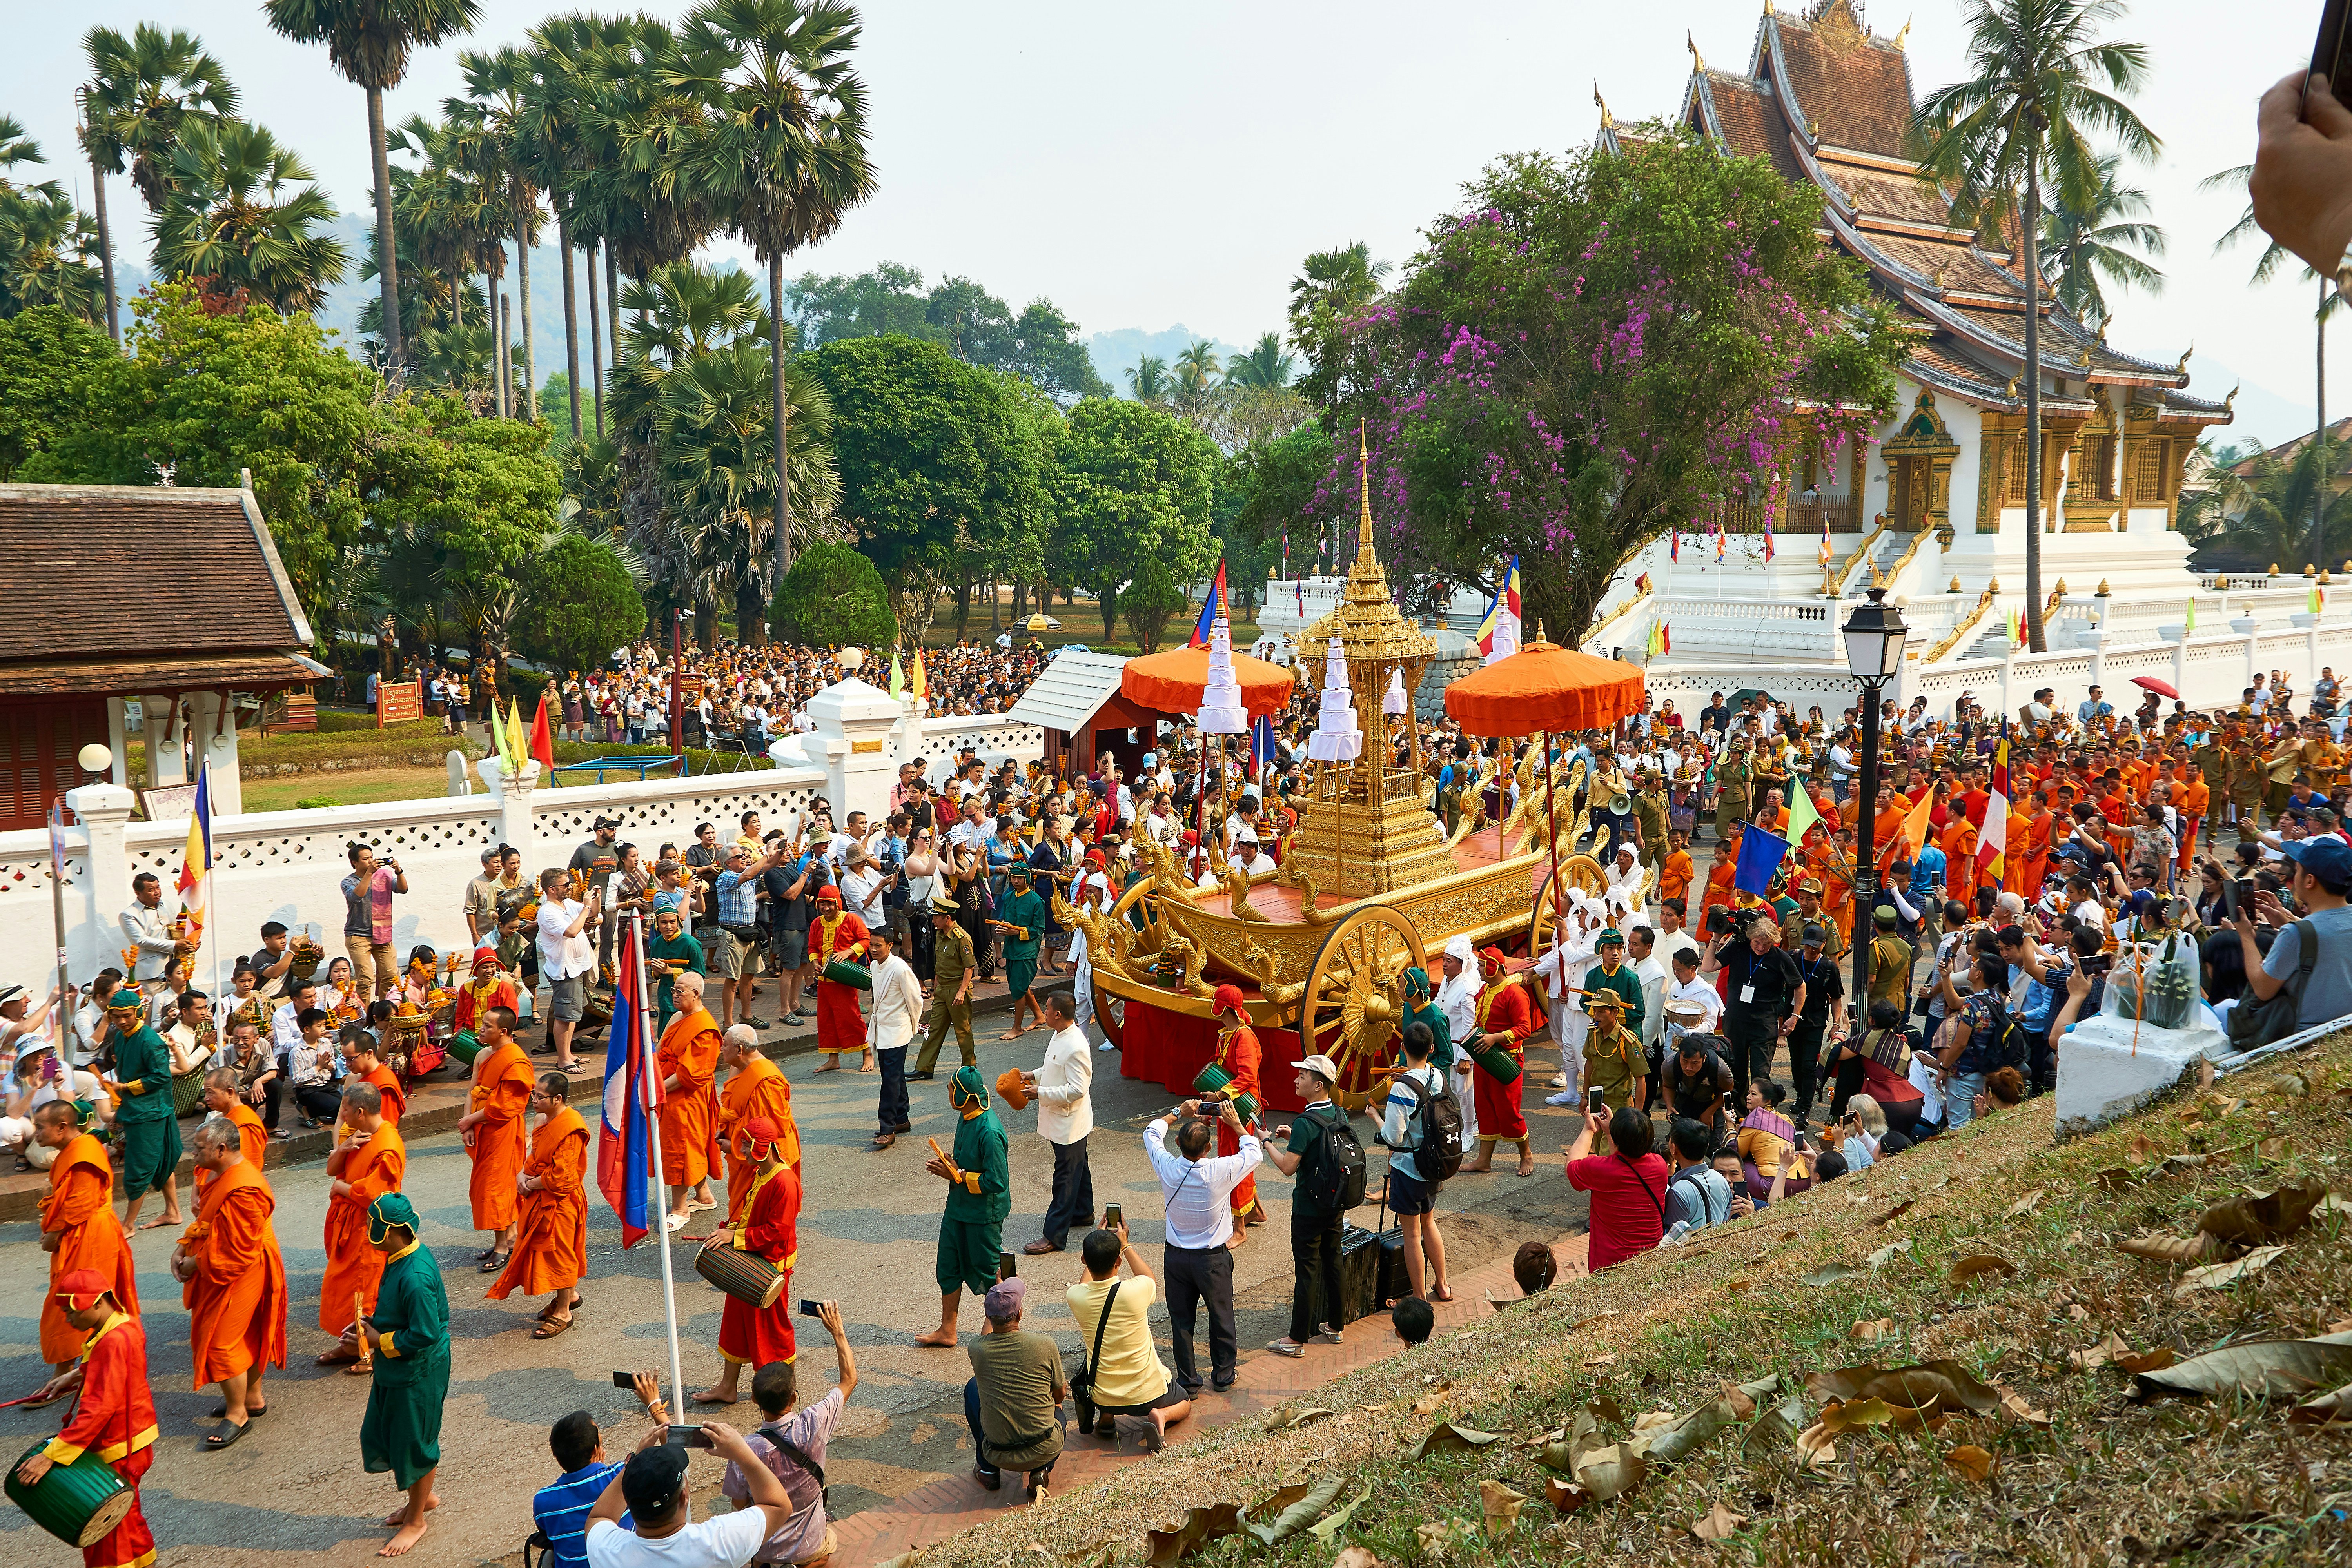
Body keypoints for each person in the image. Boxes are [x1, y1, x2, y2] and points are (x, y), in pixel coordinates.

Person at [15, 1269, 157, 1568]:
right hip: (137, 1437)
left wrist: (52, 1456)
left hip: (118, 1445)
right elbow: (116, 1371)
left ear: (96, 1303)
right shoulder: (127, 1324)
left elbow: (98, 1411)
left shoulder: (111, 1343)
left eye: (71, 1312)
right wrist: (76, 1373)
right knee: (126, 1514)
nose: (68, 1320)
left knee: (104, 1530)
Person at [171, 1114, 289, 1448]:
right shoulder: (225, 1174)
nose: (193, 1155)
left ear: (221, 1149)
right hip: (233, 1261)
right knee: (244, 1334)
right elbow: (209, 1224)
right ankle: (251, 1398)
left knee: (222, 1341)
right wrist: (183, 1247)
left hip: (246, 1266)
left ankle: (238, 1414)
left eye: (198, 1149)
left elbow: (235, 1250)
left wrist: (194, 1263)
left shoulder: (244, 1187)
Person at [719, 1302, 860, 1568]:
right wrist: (838, 1332)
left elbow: (738, 1505)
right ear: (794, 1398)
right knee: (830, 1540)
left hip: (766, 1554)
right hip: (810, 1546)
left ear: (753, 1399)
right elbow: (849, 1379)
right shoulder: (814, 1423)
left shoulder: (743, 1450)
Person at [1143, 1096, 1259, 1394]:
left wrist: (1176, 1114)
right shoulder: (1219, 1171)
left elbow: (1151, 1134)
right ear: (1209, 1148)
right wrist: (1235, 1124)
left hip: (1177, 1259)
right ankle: (1222, 1376)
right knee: (1221, 1316)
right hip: (1212, 1260)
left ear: (1179, 1146)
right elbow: (1254, 1152)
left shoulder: (1168, 1167)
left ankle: (1189, 1382)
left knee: (1181, 1321)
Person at [359, 1192, 451, 1558]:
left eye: (375, 1226)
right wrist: (370, 1328)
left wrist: (378, 1339)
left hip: (419, 1368)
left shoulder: (415, 1275)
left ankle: (416, 1521)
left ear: (395, 1231)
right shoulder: (401, 1255)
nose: (370, 1231)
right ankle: (423, 1498)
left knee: (417, 1443)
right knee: (392, 1432)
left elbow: (426, 1333)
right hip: (398, 1365)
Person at [693, 1114, 802, 1407]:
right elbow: (751, 1213)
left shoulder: (785, 1182)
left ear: (764, 1147)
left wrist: (736, 1239)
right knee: (735, 1326)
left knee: (774, 1332)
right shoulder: (762, 1174)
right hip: (749, 1263)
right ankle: (728, 1387)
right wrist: (730, 1228)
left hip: (768, 1269)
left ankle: (784, 1392)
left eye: (747, 1145)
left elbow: (778, 1231)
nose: (742, 1151)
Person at [585, 1417, 794, 1568]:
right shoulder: (717, 1544)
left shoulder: (607, 1553)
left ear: (629, 1504)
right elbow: (779, 1506)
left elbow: (600, 1517)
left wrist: (634, 1465)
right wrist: (742, 1453)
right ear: (685, 1497)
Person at [33, 1103, 139, 1382]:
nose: (36, 1134)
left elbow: (82, 1203)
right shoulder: (74, 1150)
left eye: (40, 1128)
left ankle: (67, 1371)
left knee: (73, 1300)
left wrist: (53, 1235)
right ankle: (84, 1364)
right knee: (78, 1299)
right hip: (81, 1231)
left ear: (62, 1127)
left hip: (91, 1234)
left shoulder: (85, 1152)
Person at [1065, 1221, 1191, 1450]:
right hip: (1148, 1393)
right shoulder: (1135, 1291)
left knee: (1101, 1360)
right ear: (1119, 1263)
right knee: (1185, 1402)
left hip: (1103, 1395)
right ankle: (1161, 1416)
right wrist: (1125, 1245)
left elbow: (1084, 1284)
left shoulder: (1076, 1298)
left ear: (1084, 1260)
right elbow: (1149, 1278)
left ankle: (1106, 1418)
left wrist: (1098, 1245)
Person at [489, 1073, 590, 1339]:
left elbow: (563, 1177)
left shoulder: (571, 1127)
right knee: (544, 1251)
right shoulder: (541, 1119)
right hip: (539, 1193)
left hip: (561, 1200)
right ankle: (569, 1297)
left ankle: (564, 1313)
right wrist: (522, 1175)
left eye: (539, 1097)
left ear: (558, 1099)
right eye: (534, 1095)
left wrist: (530, 1184)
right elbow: (533, 1154)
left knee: (562, 1254)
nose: (533, 1100)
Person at [1264, 1053, 1350, 1358]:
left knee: (1308, 1270)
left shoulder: (1305, 1121)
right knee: (1334, 1261)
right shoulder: (1340, 1112)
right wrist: (1295, 1136)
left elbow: (1288, 1167)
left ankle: (1296, 1339)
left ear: (1317, 1085)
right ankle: (1336, 1327)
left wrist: (1268, 1143)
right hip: (1335, 1202)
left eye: (1302, 1076)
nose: (1296, 1080)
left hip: (1308, 1208)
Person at [919, 1066, 1011, 1348]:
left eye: (950, 1088)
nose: (947, 1092)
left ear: (964, 1095)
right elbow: (967, 1165)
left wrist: (957, 1175)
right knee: (948, 1267)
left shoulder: (991, 1131)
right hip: (958, 1208)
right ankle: (948, 1330)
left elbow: (997, 1181)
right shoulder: (966, 1116)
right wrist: (953, 1165)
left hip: (983, 1215)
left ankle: (997, 1330)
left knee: (990, 1272)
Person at [537, 1377, 671, 1568]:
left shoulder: (543, 1500)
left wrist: (596, 1470)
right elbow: (674, 1449)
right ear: (595, 1450)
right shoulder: (622, 1476)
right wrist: (655, 1405)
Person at [319, 1081, 407, 1367]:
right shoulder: (361, 1135)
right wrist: (343, 1149)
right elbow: (332, 1169)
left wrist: (341, 1188)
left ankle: (366, 1351)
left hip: (369, 1230)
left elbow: (372, 1195)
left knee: (364, 1291)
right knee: (343, 1287)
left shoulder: (388, 1145)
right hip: (348, 1227)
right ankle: (350, 1344)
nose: (341, 1115)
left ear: (359, 1111)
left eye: (344, 1109)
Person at [962, 1277, 1066, 1499]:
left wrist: (995, 1300)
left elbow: (987, 1338)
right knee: (1058, 1412)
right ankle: (1042, 1470)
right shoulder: (1044, 1344)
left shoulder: (977, 1350)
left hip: (998, 1453)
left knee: (973, 1387)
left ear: (988, 1317)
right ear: (1020, 1314)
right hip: (1043, 1446)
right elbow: (1061, 1395)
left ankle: (988, 1471)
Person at [2236, 834, 2352, 1025]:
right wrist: (2285, 921)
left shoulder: (2295, 933)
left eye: (2297, 871)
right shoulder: (2298, 931)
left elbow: (2263, 989)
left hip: (2306, 1034)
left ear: (2309, 881)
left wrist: (2246, 935)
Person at [1375, 1020, 1452, 1303]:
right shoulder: (1438, 1076)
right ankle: (1442, 1285)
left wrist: (1377, 1119)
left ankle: (1418, 1298)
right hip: (1435, 1162)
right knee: (1429, 1223)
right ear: (1431, 1049)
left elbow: (1394, 1137)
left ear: (1403, 1048)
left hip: (1409, 1167)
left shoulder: (1401, 1088)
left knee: (1412, 1234)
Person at [1701, 911, 1806, 1104]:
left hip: (1764, 1025)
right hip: (1736, 1020)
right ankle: (1738, 1111)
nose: (1760, 947)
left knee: (1761, 1074)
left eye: (1766, 944)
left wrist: (1795, 1016)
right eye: (1757, 942)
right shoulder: (1738, 948)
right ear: (1750, 938)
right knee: (1736, 1070)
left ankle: (1761, 1114)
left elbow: (1800, 986)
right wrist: (1716, 938)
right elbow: (1708, 967)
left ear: (1773, 942)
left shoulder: (1780, 958)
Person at [102, 987, 183, 1232]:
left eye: (127, 1015)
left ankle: (128, 1224)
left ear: (138, 1012)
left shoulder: (149, 1039)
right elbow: (124, 1073)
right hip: (135, 1108)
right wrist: (119, 1106)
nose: (122, 1021)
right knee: (159, 1162)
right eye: (116, 1017)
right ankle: (173, 1211)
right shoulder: (120, 1037)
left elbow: (161, 1077)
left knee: (138, 1167)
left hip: (152, 1111)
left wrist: (124, 1087)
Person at [1021, 989, 1096, 1255]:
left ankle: (1054, 1235)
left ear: (1057, 1014)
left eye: (1047, 1007)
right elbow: (1054, 1069)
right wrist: (1035, 1075)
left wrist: (1039, 1093)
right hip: (1063, 1119)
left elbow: (1078, 1089)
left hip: (1070, 1123)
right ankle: (1083, 1211)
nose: (1044, 1011)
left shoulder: (1076, 1045)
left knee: (1065, 1176)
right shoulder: (1060, 1034)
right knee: (1078, 1166)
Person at [462, 1004, 535, 1270]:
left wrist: (471, 1119)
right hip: (482, 1128)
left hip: (502, 1129)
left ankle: (503, 1245)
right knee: (489, 1186)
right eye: (482, 1023)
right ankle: (511, 1236)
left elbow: (505, 1106)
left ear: (503, 1031)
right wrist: (467, 1124)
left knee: (497, 1188)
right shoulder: (483, 1055)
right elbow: (472, 1091)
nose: (481, 1028)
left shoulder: (516, 1059)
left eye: (487, 1026)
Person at [654, 973, 722, 1232]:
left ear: (696, 993)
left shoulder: (705, 1028)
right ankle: (704, 1196)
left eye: (680, 991)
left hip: (686, 1096)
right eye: (674, 990)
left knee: (680, 1149)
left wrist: (657, 1091)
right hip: (668, 1087)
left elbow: (690, 1075)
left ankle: (680, 1210)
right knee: (686, 1148)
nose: (674, 995)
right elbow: (661, 1050)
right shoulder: (677, 1018)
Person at [1562, 1103, 1668, 1270]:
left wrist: (1589, 1130)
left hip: (1610, 1263)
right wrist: (1612, 1132)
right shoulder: (1660, 1165)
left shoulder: (1601, 1170)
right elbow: (1624, 1160)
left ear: (1618, 1141)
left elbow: (1572, 1167)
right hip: (1649, 1258)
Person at [1199, 984, 1266, 1230]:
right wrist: (1211, 1106)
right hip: (1228, 1106)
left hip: (1239, 1109)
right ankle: (1255, 1211)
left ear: (1225, 1009)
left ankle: (1239, 1229)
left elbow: (1248, 1077)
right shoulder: (1228, 1033)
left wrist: (1216, 1097)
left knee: (1234, 1163)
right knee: (1238, 1160)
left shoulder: (1244, 1037)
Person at [1462, 947, 1534, 1176]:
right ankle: (1484, 1160)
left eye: (1483, 966)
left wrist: (1495, 1038)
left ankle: (1527, 1155)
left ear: (1494, 968)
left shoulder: (1514, 994)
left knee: (1509, 1112)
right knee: (1485, 1110)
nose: (1479, 970)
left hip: (1506, 1061)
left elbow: (1525, 1029)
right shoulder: (1485, 990)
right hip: (1485, 1060)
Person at [717, 1025, 799, 1207]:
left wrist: (734, 1146)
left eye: (724, 1045)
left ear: (739, 1050)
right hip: (744, 1154)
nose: (721, 1049)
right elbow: (732, 1107)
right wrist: (722, 1128)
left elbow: (770, 1133)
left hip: (761, 1160)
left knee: (759, 1212)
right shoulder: (739, 1067)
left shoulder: (767, 1081)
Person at [808, 884, 874, 1073]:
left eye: (830, 904)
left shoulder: (851, 920)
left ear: (838, 904)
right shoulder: (816, 924)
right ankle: (833, 1060)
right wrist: (815, 964)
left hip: (845, 979)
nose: (826, 908)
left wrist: (848, 952)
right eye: (823, 904)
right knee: (827, 1020)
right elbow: (812, 948)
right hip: (824, 981)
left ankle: (867, 1053)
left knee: (851, 1018)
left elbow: (865, 940)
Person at [867, 926, 922, 1149]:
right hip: (883, 1030)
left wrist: (913, 1027)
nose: (873, 949)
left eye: (878, 946)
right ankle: (902, 1119)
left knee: (889, 1080)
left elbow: (915, 1000)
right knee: (895, 1075)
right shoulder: (874, 965)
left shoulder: (900, 969)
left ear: (891, 946)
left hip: (898, 1032)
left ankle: (887, 1128)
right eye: (871, 945)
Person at [913, 893, 978, 1078]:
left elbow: (969, 967)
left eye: (936, 917)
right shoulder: (940, 935)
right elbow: (940, 963)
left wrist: (962, 991)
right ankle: (924, 1068)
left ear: (947, 918)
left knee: (962, 1030)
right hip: (943, 990)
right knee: (934, 1029)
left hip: (958, 989)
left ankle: (970, 1068)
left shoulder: (961, 938)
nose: (933, 921)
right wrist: (936, 986)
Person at [342, 843, 410, 1004]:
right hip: (358, 936)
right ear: (355, 863)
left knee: (391, 977)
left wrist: (399, 872)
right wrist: (369, 874)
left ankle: (384, 1012)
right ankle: (363, 1015)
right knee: (365, 979)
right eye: (366, 859)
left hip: (383, 934)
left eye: (372, 857)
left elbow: (403, 889)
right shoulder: (348, 881)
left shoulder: (384, 876)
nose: (371, 861)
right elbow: (356, 897)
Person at [994, 864, 1049, 1039]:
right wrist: (1003, 927)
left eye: (1020, 878)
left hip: (1026, 950)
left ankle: (1017, 1028)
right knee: (1021, 985)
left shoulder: (1036, 901)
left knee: (1018, 988)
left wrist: (1017, 932)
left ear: (1028, 879)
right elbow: (1006, 919)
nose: (1016, 881)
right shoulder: (1009, 897)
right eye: (1013, 878)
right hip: (1011, 948)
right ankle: (1040, 1016)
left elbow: (1039, 928)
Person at [1660, 1116, 1733, 1242]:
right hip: (1717, 1247)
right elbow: (1725, 1216)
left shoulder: (1679, 1191)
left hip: (1691, 1254)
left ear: (1674, 1149)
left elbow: (1674, 1238)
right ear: (1707, 1146)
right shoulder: (1721, 1179)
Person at [644, 908, 705, 1032]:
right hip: (665, 998)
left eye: (673, 922)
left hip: (686, 1001)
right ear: (657, 924)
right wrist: (656, 972)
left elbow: (700, 973)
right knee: (664, 1037)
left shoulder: (691, 943)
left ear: (678, 922)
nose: (669, 926)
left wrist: (671, 971)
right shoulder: (656, 943)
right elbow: (655, 974)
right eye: (664, 923)